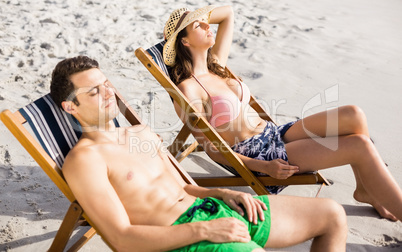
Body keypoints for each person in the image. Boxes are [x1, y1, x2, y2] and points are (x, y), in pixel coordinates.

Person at [50, 56, 347, 252]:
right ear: (70, 107)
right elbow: (121, 237)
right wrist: (204, 230)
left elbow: (183, 187)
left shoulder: (139, 132)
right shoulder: (85, 159)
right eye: (94, 92)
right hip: (181, 236)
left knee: (331, 215)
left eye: (106, 85)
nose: (107, 93)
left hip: (213, 210)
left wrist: (223, 193)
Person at [162, 5, 402, 222]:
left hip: (274, 132)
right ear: (184, 42)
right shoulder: (188, 89)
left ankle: (364, 189)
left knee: (354, 114)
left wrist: (194, 18)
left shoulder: (217, 65)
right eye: (198, 25)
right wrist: (263, 168)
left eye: (205, 21)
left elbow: (228, 14)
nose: (207, 25)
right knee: (360, 145)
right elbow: (213, 149)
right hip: (261, 155)